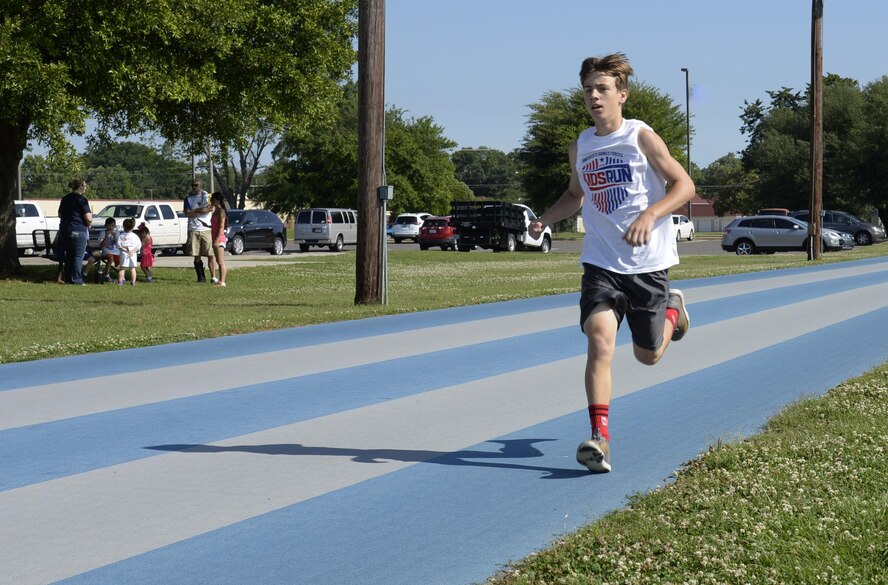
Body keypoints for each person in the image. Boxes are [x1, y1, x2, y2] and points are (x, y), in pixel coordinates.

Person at [528, 53, 695, 474]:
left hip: (648, 263)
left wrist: (651, 214)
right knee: (600, 340)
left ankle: (673, 310)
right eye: (588, 90)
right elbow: (575, 195)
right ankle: (598, 439)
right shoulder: (580, 145)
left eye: (602, 89)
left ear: (621, 94)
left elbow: (685, 186)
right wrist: (543, 219)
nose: (594, 97)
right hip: (601, 262)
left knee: (648, 356)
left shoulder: (642, 137)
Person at [57, 179, 92, 285]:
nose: (85, 187)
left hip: (65, 230)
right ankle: (77, 280)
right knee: (77, 255)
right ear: (80, 186)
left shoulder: (65, 198)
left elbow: (59, 214)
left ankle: (68, 278)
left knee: (69, 255)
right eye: (84, 186)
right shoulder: (81, 199)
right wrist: (88, 223)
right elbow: (89, 218)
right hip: (78, 230)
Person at [183, 180, 213, 282]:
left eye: (196, 185)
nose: (194, 187)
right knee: (196, 254)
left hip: (206, 229)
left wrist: (195, 210)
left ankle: (213, 276)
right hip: (193, 229)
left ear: (201, 185)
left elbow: (209, 209)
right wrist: (201, 210)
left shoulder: (207, 196)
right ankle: (201, 277)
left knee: (210, 253)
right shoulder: (188, 199)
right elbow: (188, 213)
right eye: (192, 185)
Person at [84, 217, 120, 283]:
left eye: (112, 225)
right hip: (106, 251)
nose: (111, 227)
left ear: (115, 225)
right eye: (109, 225)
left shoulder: (116, 233)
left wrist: (115, 237)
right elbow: (101, 246)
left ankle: (121, 275)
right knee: (110, 257)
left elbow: (119, 244)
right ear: (106, 225)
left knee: (122, 257)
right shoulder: (103, 233)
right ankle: (106, 275)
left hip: (116, 251)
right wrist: (106, 237)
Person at [209, 192, 228, 287]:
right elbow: (215, 225)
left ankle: (222, 281)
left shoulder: (221, 211)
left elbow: (221, 227)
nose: (211, 201)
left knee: (221, 261)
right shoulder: (215, 212)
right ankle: (220, 281)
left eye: (212, 199)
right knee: (217, 260)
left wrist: (217, 240)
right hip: (214, 238)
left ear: (217, 200)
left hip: (219, 239)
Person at [117, 218, 142, 285]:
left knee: (122, 268)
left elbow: (118, 245)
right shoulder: (135, 236)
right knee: (132, 268)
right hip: (132, 254)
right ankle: (133, 282)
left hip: (124, 253)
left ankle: (120, 281)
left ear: (124, 226)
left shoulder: (121, 236)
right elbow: (139, 245)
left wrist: (124, 250)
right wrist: (133, 251)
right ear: (132, 227)